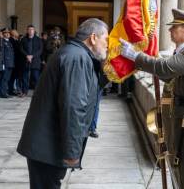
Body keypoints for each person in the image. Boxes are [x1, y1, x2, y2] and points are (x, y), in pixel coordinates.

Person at [120, 0, 184, 189]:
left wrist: (134, 55)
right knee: (180, 168)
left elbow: (166, 68)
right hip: (182, 115)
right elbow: (170, 75)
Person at [17, 18, 109, 189]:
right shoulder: (77, 58)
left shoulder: (76, 53)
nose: (107, 45)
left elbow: (89, 89)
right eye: (106, 39)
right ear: (93, 38)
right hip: (47, 146)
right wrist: (72, 151)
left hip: (47, 144)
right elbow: (73, 107)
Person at [19, 25, 43, 97]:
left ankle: (37, 93)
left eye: (32, 29)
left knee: (36, 77)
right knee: (24, 77)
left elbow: (40, 50)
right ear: (27, 31)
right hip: (25, 60)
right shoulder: (23, 39)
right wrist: (27, 55)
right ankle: (24, 92)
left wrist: (32, 56)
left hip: (35, 61)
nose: (30, 31)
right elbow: (21, 49)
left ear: (34, 31)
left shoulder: (39, 40)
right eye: (29, 29)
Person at [0, 28, 15, 98]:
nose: (8, 34)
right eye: (6, 33)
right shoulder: (2, 42)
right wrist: (2, 63)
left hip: (10, 63)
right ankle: (3, 93)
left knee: (7, 79)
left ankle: (5, 92)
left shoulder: (9, 42)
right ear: (3, 34)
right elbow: (2, 54)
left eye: (8, 33)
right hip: (6, 63)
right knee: (4, 79)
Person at [9, 29, 22, 95]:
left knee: (14, 77)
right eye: (16, 32)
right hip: (14, 61)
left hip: (17, 61)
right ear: (13, 33)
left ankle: (13, 90)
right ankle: (10, 90)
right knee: (12, 77)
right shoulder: (11, 40)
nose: (17, 33)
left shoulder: (17, 40)